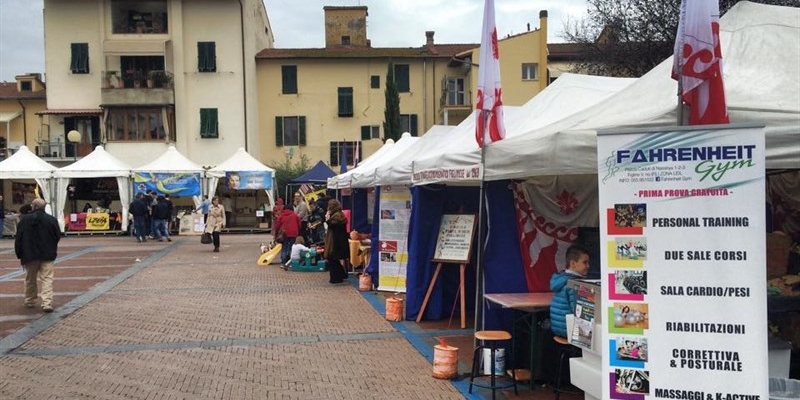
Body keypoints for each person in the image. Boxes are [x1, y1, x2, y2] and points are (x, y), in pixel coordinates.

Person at [14, 198, 61, 313]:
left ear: (33, 207)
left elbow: (18, 239)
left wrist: (19, 254)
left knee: (30, 279)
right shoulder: (52, 220)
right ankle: (47, 303)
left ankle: (30, 300)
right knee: (47, 279)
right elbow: (57, 236)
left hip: (29, 254)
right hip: (47, 253)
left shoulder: (24, 221)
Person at [549, 244, 591, 337]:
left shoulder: (561, 279)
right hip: (569, 330)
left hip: (558, 328)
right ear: (573, 264)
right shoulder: (574, 285)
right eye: (585, 262)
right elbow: (579, 312)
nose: (588, 266)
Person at [323, 199, 350, 284]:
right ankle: (341, 274)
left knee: (332, 259)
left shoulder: (336, 216)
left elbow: (332, 225)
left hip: (335, 241)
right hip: (340, 241)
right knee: (334, 259)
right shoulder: (340, 215)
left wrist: (327, 219)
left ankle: (336, 278)